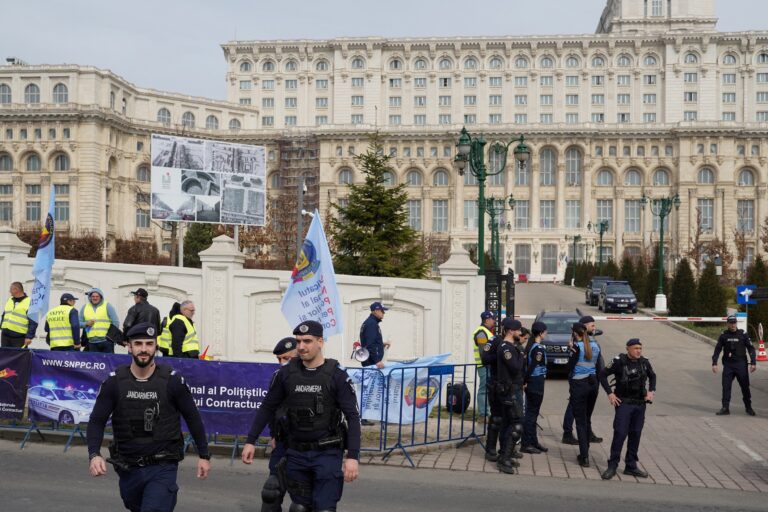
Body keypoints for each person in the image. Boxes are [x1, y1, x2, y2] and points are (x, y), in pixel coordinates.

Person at [86, 323, 211, 511]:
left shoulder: (172, 381)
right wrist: (94, 454)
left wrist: (204, 455)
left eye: (149, 344)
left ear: (156, 346)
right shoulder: (114, 382)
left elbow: (193, 417)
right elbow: (96, 421)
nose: (144, 349)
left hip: (163, 466)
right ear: (129, 346)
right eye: (138, 344)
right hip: (128, 468)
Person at [242, 320, 361, 512]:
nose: (302, 347)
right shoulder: (286, 374)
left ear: (320, 342)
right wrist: (250, 440)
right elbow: (267, 407)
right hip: (296, 453)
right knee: (299, 508)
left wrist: (353, 456)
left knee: (323, 509)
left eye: (307, 341)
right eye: (298, 341)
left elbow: (353, 417)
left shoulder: (337, 376)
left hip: (327, 453)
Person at [599, 338, 656, 480]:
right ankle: (612, 465)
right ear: (628, 348)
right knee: (620, 433)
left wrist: (651, 391)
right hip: (623, 404)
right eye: (635, 348)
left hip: (640, 405)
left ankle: (631, 465)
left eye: (640, 348)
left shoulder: (644, 362)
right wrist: (610, 394)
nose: (638, 351)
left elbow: (653, 376)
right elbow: (602, 374)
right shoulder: (619, 361)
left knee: (635, 434)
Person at [260, 337, 298, 512]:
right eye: (280, 359)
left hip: (306, 446)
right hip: (282, 442)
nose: (283, 363)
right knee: (271, 493)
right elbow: (271, 408)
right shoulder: (279, 377)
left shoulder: (318, 377)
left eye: (287, 358)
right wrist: (273, 435)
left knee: (302, 504)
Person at [567, 321, 605, 468]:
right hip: (593, 384)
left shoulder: (577, 347)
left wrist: (570, 350)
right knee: (587, 419)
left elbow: (569, 366)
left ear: (575, 334)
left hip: (579, 384)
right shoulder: (595, 345)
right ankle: (586, 450)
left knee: (580, 422)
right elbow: (597, 365)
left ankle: (584, 457)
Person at [562, 315, 603, 446]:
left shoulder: (590, 340)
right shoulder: (578, 342)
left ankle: (587, 433)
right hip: (580, 380)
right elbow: (571, 364)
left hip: (591, 379)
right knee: (573, 407)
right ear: (584, 326)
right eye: (592, 325)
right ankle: (568, 433)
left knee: (586, 409)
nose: (594, 327)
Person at [495, 317, 526, 474]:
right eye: (519, 330)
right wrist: (521, 354)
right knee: (517, 424)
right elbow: (515, 367)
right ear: (511, 331)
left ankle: (503, 456)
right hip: (510, 391)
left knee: (508, 424)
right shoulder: (506, 348)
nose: (520, 333)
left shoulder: (509, 347)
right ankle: (505, 458)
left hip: (512, 389)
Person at [712, 315, 757, 416]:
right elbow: (717, 349)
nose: (733, 324)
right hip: (728, 365)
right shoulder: (724, 335)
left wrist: (753, 362)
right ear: (727, 324)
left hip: (741, 364)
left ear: (736, 323)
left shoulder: (743, 334)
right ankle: (725, 408)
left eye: (734, 322)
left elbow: (751, 348)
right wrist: (714, 363)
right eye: (731, 323)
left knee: (745, 387)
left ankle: (748, 407)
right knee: (726, 386)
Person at [479, 318, 507, 462]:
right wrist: (499, 356)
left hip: (509, 386)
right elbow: (484, 357)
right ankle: (490, 450)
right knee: (496, 419)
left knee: (507, 421)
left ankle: (505, 450)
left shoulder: (512, 343)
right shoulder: (495, 340)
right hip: (496, 384)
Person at [521, 321, 548, 454]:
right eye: (545, 331)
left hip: (536, 381)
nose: (546, 333)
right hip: (535, 382)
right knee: (531, 415)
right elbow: (531, 367)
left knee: (534, 413)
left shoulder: (534, 346)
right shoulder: (537, 348)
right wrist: (525, 381)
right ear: (541, 332)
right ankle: (526, 443)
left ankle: (533, 441)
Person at [80, 287, 120, 353]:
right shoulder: (85, 307)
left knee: (108, 362)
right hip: (92, 342)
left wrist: (111, 338)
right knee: (94, 363)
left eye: (97, 296)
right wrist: (86, 324)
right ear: (90, 297)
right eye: (93, 296)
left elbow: (116, 322)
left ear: (101, 297)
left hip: (106, 342)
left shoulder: (107, 306)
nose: (95, 298)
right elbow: (78, 323)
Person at [472, 311, 495, 419]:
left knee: (487, 389)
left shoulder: (487, 331)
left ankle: (487, 412)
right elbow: (483, 352)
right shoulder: (481, 332)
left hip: (487, 365)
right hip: (484, 365)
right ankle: (483, 414)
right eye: (492, 319)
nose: (494, 321)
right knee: (483, 390)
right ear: (487, 320)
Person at [1, 281, 37, 348]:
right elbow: (4, 314)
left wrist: (29, 337)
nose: (9, 291)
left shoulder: (30, 302)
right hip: (5, 336)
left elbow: (33, 322)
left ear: (16, 290)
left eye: (11, 289)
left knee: (18, 357)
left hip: (19, 338)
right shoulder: (10, 300)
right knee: (5, 357)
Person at [359, 302, 389, 369]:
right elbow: (370, 344)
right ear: (376, 311)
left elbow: (369, 341)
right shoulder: (371, 324)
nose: (384, 313)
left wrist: (381, 344)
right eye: (382, 311)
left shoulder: (370, 322)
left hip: (370, 360)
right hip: (371, 362)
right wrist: (377, 361)